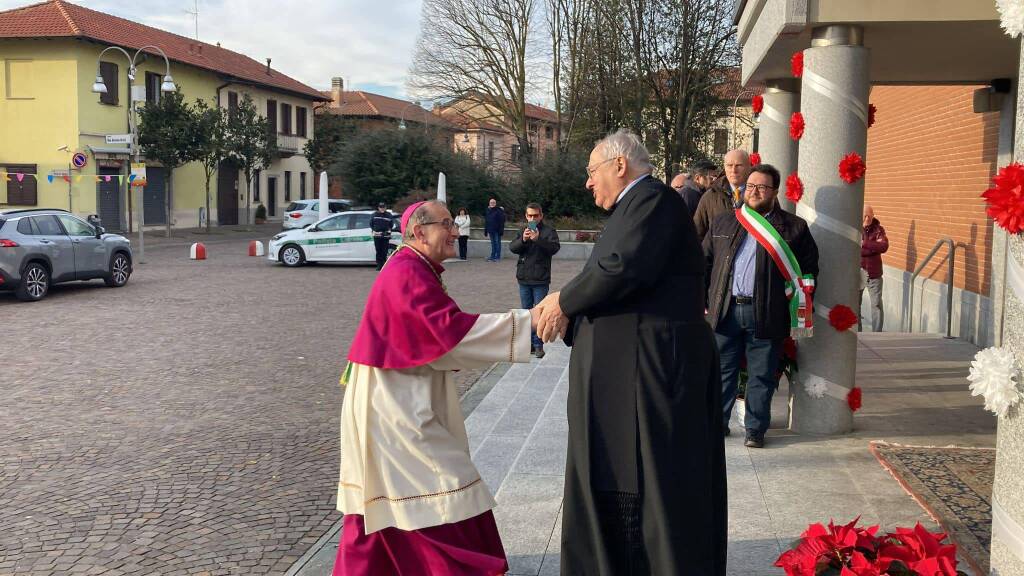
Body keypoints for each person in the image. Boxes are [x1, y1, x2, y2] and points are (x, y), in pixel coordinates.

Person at [534, 129, 726, 575]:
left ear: (620, 166)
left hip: (653, 372)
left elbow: (619, 268)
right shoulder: (637, 205)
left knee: (656, 483)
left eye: (591, 171)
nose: (587, 183)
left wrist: (562, 301)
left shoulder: (654, 201)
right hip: (631, 369)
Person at [333, 200, 540, 576]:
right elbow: (449, 334)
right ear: (419, 231)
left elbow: (435, 340)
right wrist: (529, 325)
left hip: (396, 397)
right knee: (441, 485)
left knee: (389, 500)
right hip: (393, 409)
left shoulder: (414, 267)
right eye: (447, 224)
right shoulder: (407, 272)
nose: (456, 232)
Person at [703, 164, 819, 449]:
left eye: (762, 187)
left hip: (766, 313)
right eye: (750, 186)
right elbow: (702, 263)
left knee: (762, 376)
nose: (754, 192)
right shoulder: (723, 222)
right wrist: (702, 302)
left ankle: (755, 430)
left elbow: (808, 271)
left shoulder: (794, 228)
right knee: (721, 372)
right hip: (725, 310)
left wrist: (794, 303)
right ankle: (716, 425)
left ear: (775, 192)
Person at [509, 202, 561, 358]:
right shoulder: (522, 230)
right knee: (526, 313)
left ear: (541, 216)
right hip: (524, 278)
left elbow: (554, 248)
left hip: (540, 279)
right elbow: (513, 248)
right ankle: (528, 344)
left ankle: (538, 345)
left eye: (535, 215)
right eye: (530, 215)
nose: (533, 218)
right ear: (526, 216)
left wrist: (538, 239)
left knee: (539, 313)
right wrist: (523, 240)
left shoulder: (549, 231)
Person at [693, 149, 751, 241]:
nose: (733, 170)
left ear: (749, 167)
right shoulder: (710, 196)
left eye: (739, 165)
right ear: (724, 167)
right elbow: (697, 233)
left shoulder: (761, 194)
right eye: (729, 165)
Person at [860, 205, 889, 332]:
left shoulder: (878, 230)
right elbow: (855, 249)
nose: (867, 218)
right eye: (865, 215)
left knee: (876, 304)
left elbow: (883, 247)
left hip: (874, 274)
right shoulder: (855, 227)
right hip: (858, 273)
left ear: (873, 215)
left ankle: (877, 333)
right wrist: (873, 247)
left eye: (869, 216)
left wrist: (864, 244)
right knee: (855, 305)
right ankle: (858, 332)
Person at [370, 203, 394, 271]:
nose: (382, 209)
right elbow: (371, 224)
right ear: (378, 208)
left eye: (383, 207)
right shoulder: (374, 215)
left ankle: (384, 265)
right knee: (378, 250)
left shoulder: (389, 215)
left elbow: (391, 224)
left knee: (384, 251)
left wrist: (388, 230)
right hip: (377, 235)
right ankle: (379, 265)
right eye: (381, 207)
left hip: (385, 235)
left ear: (385, 207)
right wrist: (375, 230)